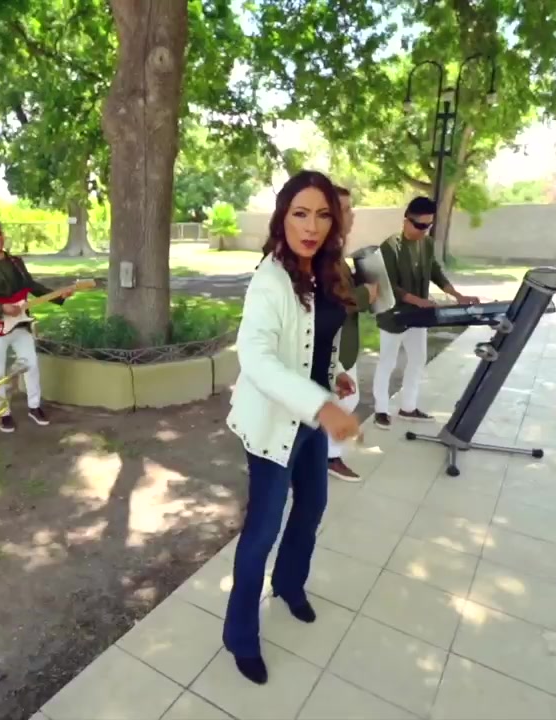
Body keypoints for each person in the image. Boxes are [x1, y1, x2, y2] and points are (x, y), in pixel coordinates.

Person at [223, 170, 361, 685]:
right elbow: (257, 358)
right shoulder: (270, 279)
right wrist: (322, 407)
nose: (312, 226)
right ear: (282, 217)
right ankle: (240, 636)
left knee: (314, 504)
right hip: (275, 423)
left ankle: (288, 583)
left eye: (323, 215)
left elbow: (313, 341)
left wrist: (334, 375)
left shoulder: (324, 269)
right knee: (262, 530)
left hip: (311, 416)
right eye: (300, 213)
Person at [372, 196, 479, 429]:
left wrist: (458, 295)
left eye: (428, 225)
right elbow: (389, 285)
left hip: (418, 317)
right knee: (388, 362)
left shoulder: (427, 244)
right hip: (393, 316)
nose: (424, 230)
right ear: (406, 220)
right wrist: (418, 301)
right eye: (419, 225)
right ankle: (381, 410)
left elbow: (436, 273)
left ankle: (408, 407)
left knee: (418, 359)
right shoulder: (389, 247)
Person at [0, 219, 73, 433]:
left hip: (21, 323)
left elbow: (31, 286)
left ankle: (34, 406)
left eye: (0, 233)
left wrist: (58, 295)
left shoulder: (15, 261)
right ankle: (2, 413)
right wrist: (1, 308)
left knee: (31, 364)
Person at [327, 184, 377, 482]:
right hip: (335, 344)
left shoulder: (336, 251)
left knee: (345, 400)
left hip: (345, 342)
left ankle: (327, 455)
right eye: (345, 209)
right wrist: (364, 294)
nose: (352, 215)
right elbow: (332, 301)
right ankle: (329, 457)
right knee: (343, 401)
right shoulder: (324, 254)